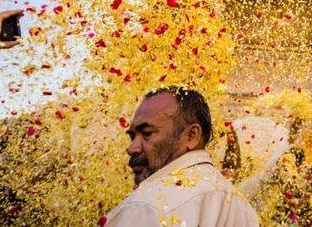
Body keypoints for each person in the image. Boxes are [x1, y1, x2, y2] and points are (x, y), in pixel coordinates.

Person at [105, 86, 258, 226]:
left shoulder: (147, 206)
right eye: (132, 136)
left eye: (147, 133)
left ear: (191, 136)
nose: (132, 148)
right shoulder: (242, 208)